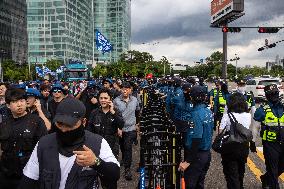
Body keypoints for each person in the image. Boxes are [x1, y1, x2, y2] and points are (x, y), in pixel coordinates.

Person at [20, 97, 120, 189]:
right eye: (60, 124)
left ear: (84, 122)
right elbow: (28, 180)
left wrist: (96, 162)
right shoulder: (44, 144)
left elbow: (115, 174)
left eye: (70, 125)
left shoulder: (97, 142)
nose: (64, 130)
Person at [0, 88, 47, 189]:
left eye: (21, 100)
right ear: (8, 105)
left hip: (29, 175)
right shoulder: (4, 124)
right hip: (6, 173)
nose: (19, 104)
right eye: (14, 101)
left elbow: (44, 148)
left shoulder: (36, 122)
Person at [178, 85, 214, 189]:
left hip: (197, 156)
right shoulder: (208, 112)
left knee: (190, 184)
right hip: (206, 154)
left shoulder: (195, 114)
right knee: (200, 183)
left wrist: (187, 161)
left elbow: (196, 139)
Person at [252, 84, 284, 189]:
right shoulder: (262, 110)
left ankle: (266, 178)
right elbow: (255, 127)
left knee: (281, 167)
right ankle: (274, 185)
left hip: (283, 143)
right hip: (270, 145)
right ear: (267, 95)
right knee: (272, 169)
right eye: (271, 94)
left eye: (275, 93)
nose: (274, 95)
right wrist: (253, 142)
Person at [220, 93, 253, 189]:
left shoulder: (227, 116)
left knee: (231, 174)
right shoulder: (248, 115)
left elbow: (220, 132)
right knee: (241, 170)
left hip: (230, 146)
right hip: (243, 146)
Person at [113, 82, 140, 181]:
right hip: (120, 129)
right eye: (123, 89)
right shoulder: (116, 101)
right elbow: (114, 115)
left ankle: (127, 169)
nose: (125, 90)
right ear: (121, 89)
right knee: (123, 147)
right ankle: (124, 159)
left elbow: (137, 111)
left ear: (130, 90)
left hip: (131, 128)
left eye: (127, 89)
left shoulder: (135, 100)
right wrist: (118, 128)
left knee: (128, 147)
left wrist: (137, 124)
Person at [87, 88, 124, 158]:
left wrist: (113, 112)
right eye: (101, 98)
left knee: (112, 167)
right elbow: (89, 129)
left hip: (112, 147)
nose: (103, 100)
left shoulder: (116, 111)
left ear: (110, 99)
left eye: (105, 98)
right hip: (97, 146)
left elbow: (121, 124)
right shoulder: (94, 112)